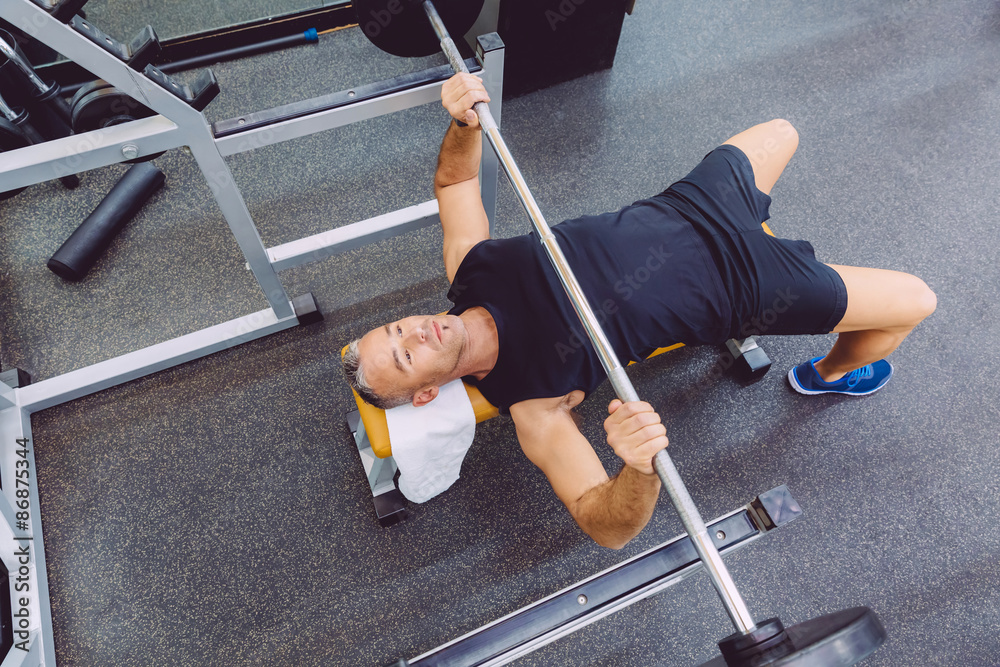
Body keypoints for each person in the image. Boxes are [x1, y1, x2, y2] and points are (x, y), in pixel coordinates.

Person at [342, 73, 936, 549]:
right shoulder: (535, 403)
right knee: (916, 302)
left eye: (397, 327)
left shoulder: (469, 267)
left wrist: (462, 121)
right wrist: (638, 471)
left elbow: (454, 184)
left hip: (690, 205)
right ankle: (826, 375)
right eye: (406, 353)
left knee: (783, 130)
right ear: (425, 394)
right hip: (747, 286)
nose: (414, 330)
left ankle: (782, 266)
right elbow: (603, 524)